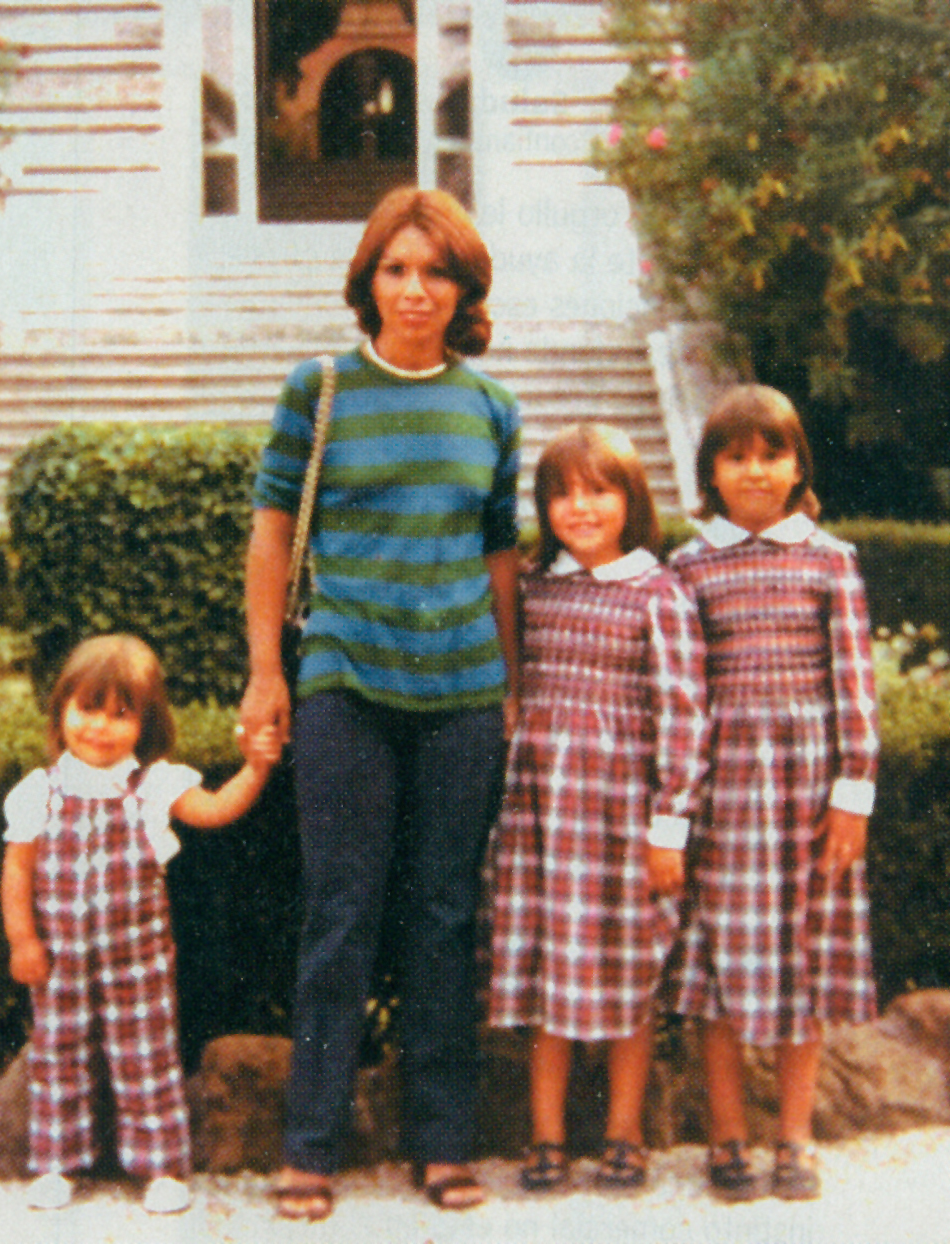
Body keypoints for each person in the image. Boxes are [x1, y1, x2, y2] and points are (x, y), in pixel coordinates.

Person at [239, 186, 521, 1221]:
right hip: (346, 679)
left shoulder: (492, 408)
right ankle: (310, 1145)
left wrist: (513, 683)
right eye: (397, 269)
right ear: (369, 282)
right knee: (340, 910)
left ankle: (442, 1140)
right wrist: (268, 670)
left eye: (435, 271)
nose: (415, 289)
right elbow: (272, 536)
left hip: (460, 690)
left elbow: (499, 555)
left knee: (446, 913)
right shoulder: (318, 390)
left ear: (463, 289)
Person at [666, 385, 880, 1202]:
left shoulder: (829, 559)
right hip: (721, 787)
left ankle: (794, 1137)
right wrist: (677, 809)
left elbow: (854, 685)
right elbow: (681, 692)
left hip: (807, 787)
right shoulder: (688, 567)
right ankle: (726, 1139)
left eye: (771, 454)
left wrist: (851, 794)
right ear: (711, 470)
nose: (754, 472)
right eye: (735, 457)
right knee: (716, 963)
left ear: (797, 467)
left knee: (807, 959)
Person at [488, 423, 708, 1194]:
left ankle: (624, 1130)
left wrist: (668, 826)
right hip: (545, 817)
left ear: (631, 499)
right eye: (562, 494)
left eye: (598, 491)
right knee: (551, 966)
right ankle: (545, 1135)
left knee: (628, 969)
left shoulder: (659, 593)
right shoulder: (535, 588)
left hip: (621, 819)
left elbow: (682, 716)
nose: (579, 508)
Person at [0, 634, 280, 1214]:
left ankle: (161, 1165)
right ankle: (56, 1160)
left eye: (119, 714)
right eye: (87, 708)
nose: (99, 726)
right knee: (58, 1052)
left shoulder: (151, 786)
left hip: (139, 960)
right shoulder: (39, 793)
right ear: (60, 711)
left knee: (146, 1055)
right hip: (59, 960)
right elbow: (18, 870)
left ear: (146, 725)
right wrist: (23, 939)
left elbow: (215, 808)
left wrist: (254, 769)